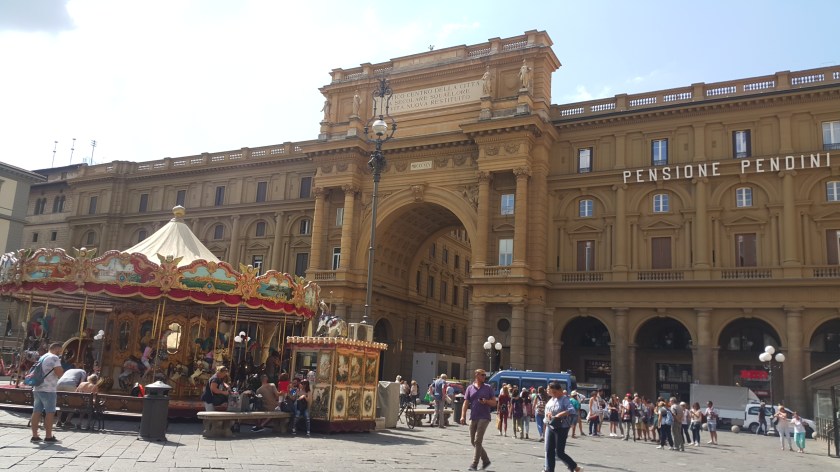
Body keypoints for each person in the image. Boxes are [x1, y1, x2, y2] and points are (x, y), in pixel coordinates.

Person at [460, 369, 496, 471]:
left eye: (485, 375)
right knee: (473, 442)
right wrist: (463, 416)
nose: (484, 377)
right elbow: (465, 403)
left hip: (484, 417)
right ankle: (486, 460)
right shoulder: (470, 388)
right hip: (474, 416)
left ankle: (474, 464)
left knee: (477, 440)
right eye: (482, 375)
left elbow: (494, 403)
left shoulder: (488, 388)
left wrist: (486, 401)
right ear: (477, 375)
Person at [30, 342, 64, 443]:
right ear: (57, 349)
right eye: (60, 351)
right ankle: (48, 436)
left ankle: (35, 436)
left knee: (36, 411)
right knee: (50, 412)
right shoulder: (54, 357)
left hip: (37, 387)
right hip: (48, 389)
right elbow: (59, 373)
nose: (60, 353)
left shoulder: (42, 357)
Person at [544, 384, 582, 472]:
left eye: (555, 392)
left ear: (560, 390)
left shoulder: (565, 399)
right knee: (549, 450)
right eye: (552, 392)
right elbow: (548, 411)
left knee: (559, 452)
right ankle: (549, 470)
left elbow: (571, 410)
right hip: (551, 426)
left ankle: (573, 466)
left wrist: (559, 414)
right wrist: (549, 414)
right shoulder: (552, 399)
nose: (553, 394)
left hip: (561, 427)